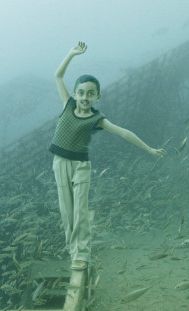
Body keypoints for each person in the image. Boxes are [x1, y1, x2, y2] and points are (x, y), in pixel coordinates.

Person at [49, 41, 166, 270]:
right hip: (59, 163)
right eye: (81, 93)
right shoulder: (67, 104)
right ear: (75, 93)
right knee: (67, 209)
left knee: (80, 209)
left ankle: (80, 254)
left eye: (90, 94)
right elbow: (58, 75)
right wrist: (71, 54)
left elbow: (124, 133)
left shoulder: (97, 119)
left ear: (97, 97)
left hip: (81, 166)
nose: (84, 97)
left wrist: (149, 149)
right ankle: (72, 249)